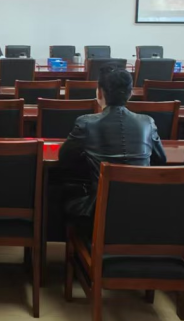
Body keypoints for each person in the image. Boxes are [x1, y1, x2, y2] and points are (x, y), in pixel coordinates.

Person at [57, 65, 166, 218]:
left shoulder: (86, 123)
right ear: (130, 93)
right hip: (142, 208)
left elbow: (64, 158)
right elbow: (161, 159)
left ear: (99, 92)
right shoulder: (148, 122)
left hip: (100, 210)